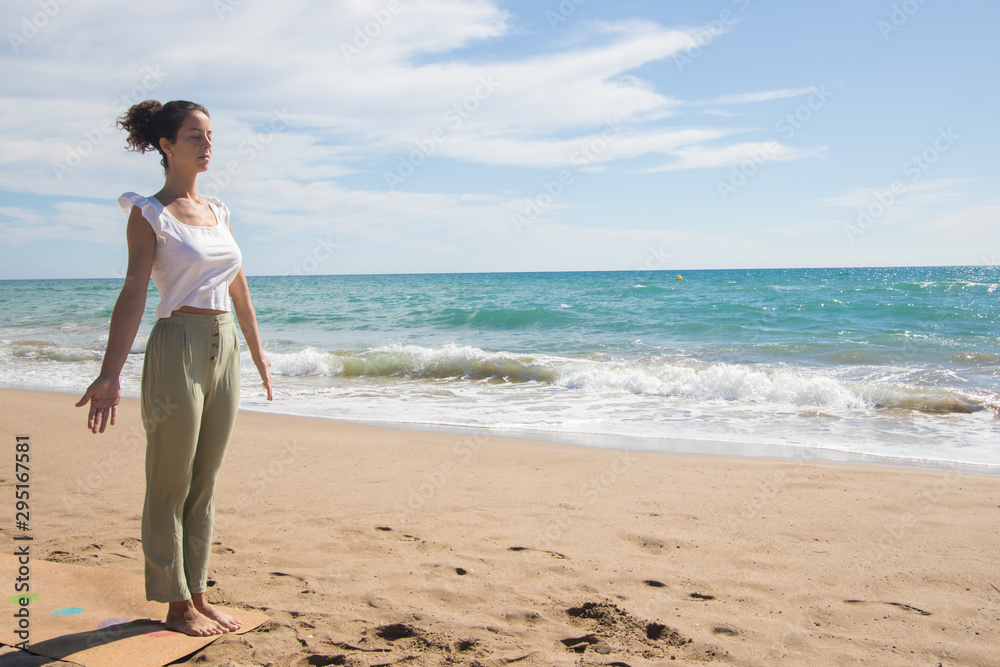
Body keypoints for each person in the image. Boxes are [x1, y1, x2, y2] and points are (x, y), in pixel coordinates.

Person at [75, 100, 273, 637]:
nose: (207, 145)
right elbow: (134, 292)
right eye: (194, 136)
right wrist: (109, 374)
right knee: (170, 477)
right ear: (166, 145)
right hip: (175, 344)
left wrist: (256, 352)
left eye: (210, 136)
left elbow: (239, 289)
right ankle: (174, 602)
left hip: (223, 342)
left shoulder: (220, 211)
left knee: (204, 480)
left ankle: (198, 593)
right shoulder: (149, 213)